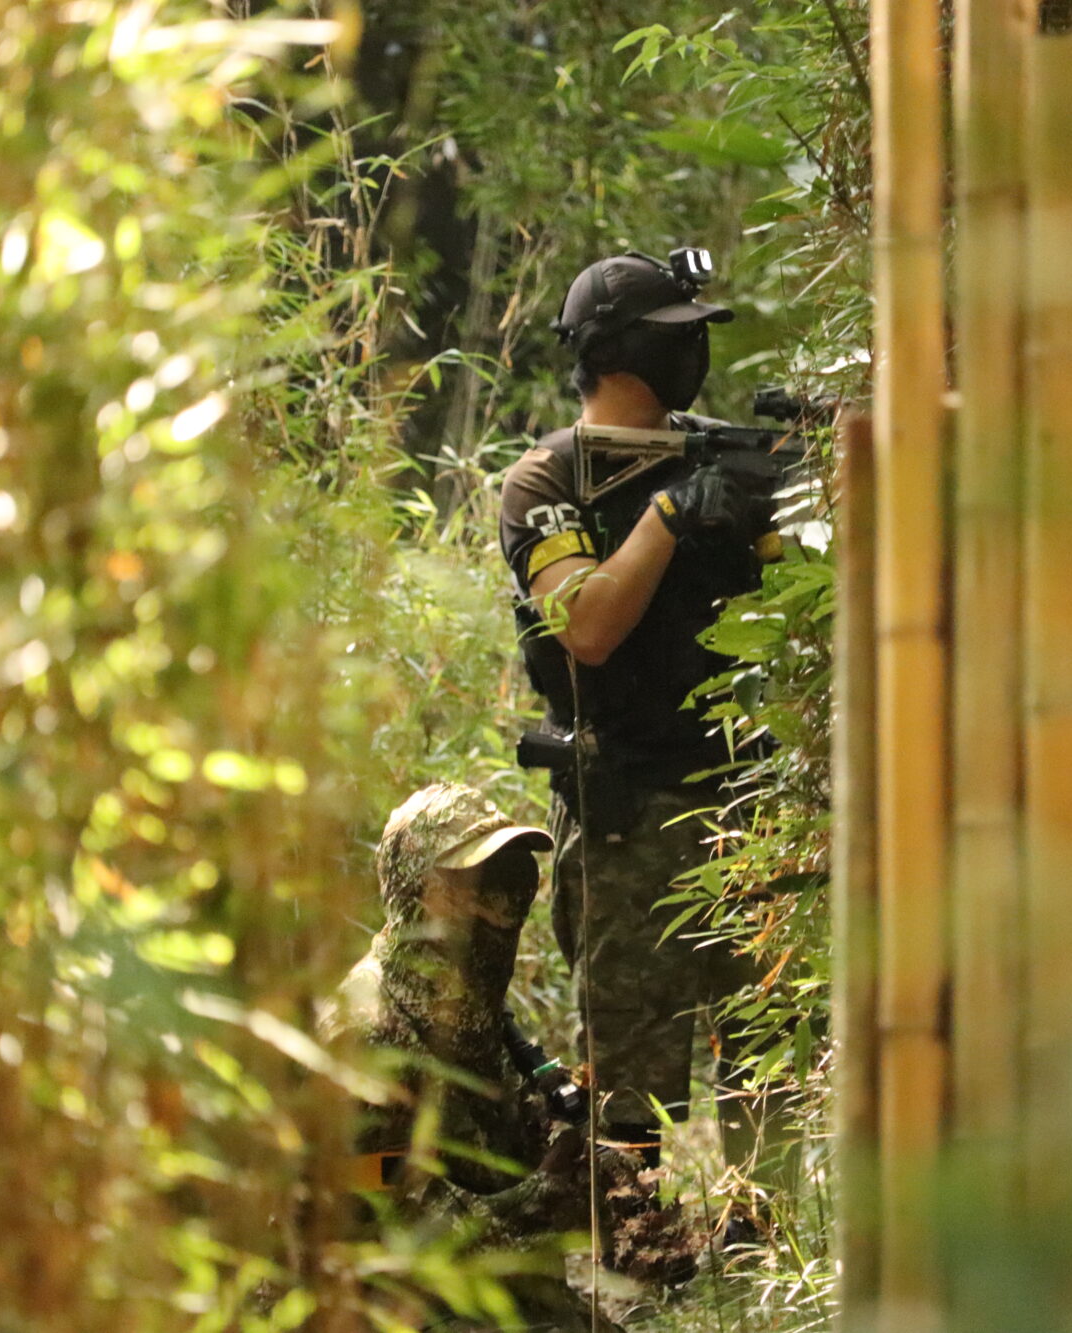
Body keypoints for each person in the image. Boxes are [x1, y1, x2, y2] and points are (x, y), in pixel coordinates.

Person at [498, 250, 780, 1179]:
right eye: (674, 337)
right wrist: (669, 515)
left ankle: (766, 1250)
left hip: (753, 808)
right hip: (630, 823)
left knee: (773, 1076)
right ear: (614, 350)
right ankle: (630, 1258)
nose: (692, 352)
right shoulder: (547, 482)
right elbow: (587, 626)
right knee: (628, 1102)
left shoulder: (728, 457)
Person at [322, 783, 696, 1331]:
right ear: (417, 892)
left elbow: (509, 1141)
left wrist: (607, 1183)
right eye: (473, 882)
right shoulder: (363, 1038)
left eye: (510, 875)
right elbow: (387, 1235)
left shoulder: (473, 1016)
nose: (501, 901)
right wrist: (547, 1197)